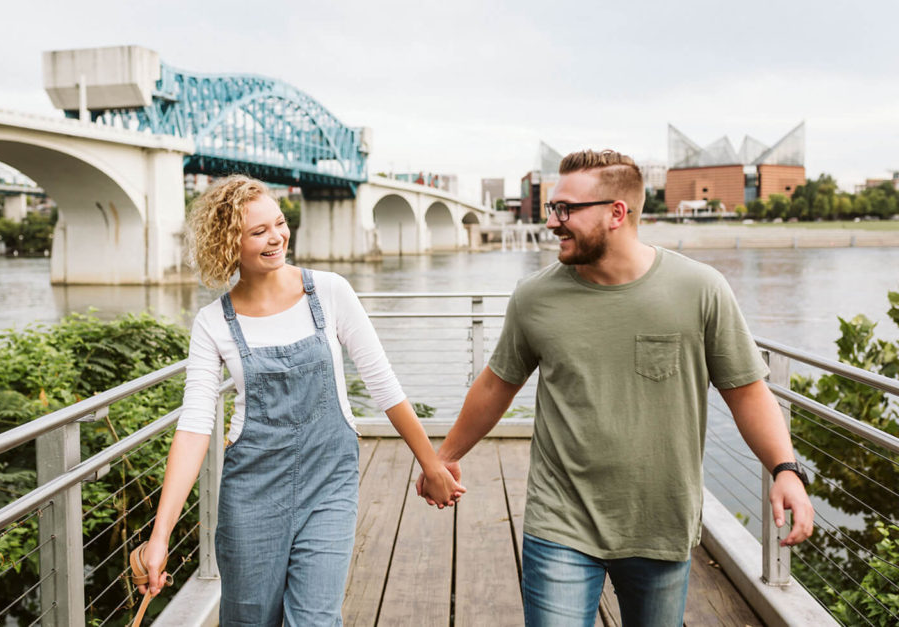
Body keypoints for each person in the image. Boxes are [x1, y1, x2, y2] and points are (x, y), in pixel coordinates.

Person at [416, 150, 814, 626]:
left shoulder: (701, 289)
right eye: (551, 208)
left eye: (566, 210)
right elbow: (496, 385)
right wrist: (445, 456)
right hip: (559, 521)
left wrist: (785, 469)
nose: (552, 223)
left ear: (617, 213)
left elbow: (747, 392)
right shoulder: (534, 297)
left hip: (660, 525)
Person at [137, 175, 464, 626]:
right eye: (258, 232)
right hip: (251, 494)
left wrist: (431, 465)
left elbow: (383, 383)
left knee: (314, 620)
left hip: (329, 481)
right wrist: (160, 537)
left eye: (279, 223)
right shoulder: (212, 323)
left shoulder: (329, 291)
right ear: (229, 243)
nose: (277, 237)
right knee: (251, 620)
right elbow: (194, 428)